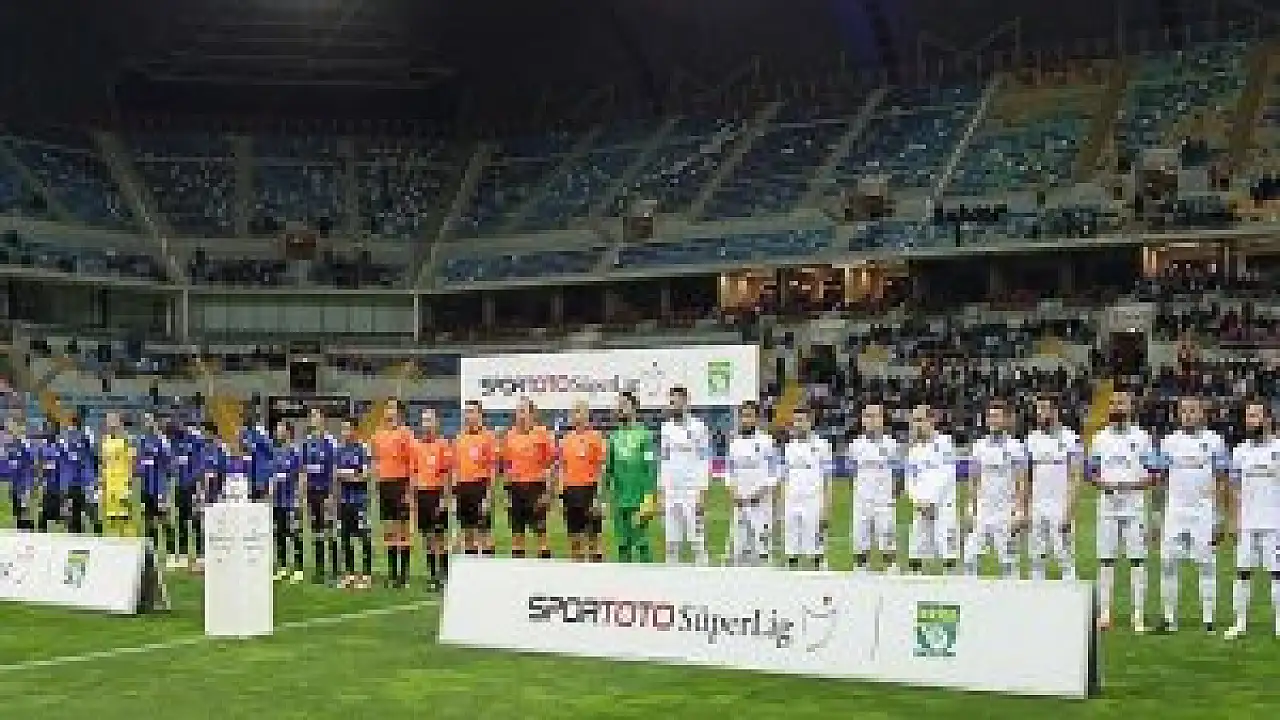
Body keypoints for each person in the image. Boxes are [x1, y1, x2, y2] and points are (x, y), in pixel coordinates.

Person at [1152, 396, 1227, 632]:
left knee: (1207, 564)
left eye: (1193, 410)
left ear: (1202, 413)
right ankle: (1169, 620)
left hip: (1203, 511)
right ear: (1178, 414)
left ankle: (1208, 621)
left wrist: (1219, 517)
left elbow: (1222, 481)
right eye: (1184, 411)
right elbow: (1160, 481)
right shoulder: (1168, 442)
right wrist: (1156, 516)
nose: (1188, 415)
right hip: (1175, 511)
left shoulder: (1215, 441)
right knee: (1167, 563)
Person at [1089, 390, 1155, 633]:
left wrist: (1131, 485)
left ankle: (1138, 616)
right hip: (1107, 507)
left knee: (1138, 560)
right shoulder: (1099, 438)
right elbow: (1091, 472)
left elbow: (1154, 474)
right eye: (1114, 403)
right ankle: (1105, 615)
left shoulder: (1143, 437)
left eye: (1122, 403)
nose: (1117, 407)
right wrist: (1103, 483)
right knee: (1106, 561)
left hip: (1134, 507)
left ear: (1130, 407)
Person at [1224, 399, 1280, 640]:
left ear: (1268, 419)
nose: (1251, 421)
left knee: (1277, 574)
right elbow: (1234, 488)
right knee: (1242, 573)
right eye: (1248, 416)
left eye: (1256, 416)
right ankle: (1239, 624)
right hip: (1247, 523)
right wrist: (1234, 520)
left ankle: (1279, 624)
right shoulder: (1239, 451)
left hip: (1275, 523)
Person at [964, 400, 1028, 578]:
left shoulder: (1016, 447)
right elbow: (973, 480)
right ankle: (971, 592)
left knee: (1008, 563)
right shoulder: (978, 446)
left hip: (1006, 512)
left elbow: (1022, 481)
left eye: (997, 416)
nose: (992, 420)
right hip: (983, 511)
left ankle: (1011, 594)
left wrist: (1020, 511)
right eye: (990, 416)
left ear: (1006, 419)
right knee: (969, 559)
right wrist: (970, 508)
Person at [1025, 395, 1082, 580]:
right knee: (1036, 559)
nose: (1039, 414)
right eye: (1038, 409)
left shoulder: (1071, 439)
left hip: (1060, 505)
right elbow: (1026, 476)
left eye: (1044, 409)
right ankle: (1037, 594)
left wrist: (1069, 510)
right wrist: (1025, 508)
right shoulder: (1030, 439)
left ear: (1055, 411)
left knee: (1065, 558)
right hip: (1037, 506)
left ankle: (1070, 594)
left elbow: (1075, 476)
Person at [847, 403, 902, 572]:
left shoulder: (892, 444)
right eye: (868, 416)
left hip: (884, 501)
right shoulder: (855, 445)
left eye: (876, 416)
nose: (871, 420)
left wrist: (892, 495)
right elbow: (852, 473)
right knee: (860, 539)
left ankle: (891, 570)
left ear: (882, 419)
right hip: (862, 500)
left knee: (887, 538)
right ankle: (861, 572)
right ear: (862, 420)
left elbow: (899, 473)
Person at [905, 404, 959, 575]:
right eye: (914, 421)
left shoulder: (945, 443)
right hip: (921, 507)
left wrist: (931, 500)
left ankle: (951, 584)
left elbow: (947, 475)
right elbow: (910, 480)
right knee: (916, 551)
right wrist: (917, 501)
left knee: (947, 551)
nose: (917, 425)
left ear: (932, 420)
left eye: (920, 420)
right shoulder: (913, 450)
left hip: (943, 506)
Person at [660, 386, 711, 565]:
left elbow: (704, 460)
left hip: (691, 490)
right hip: (671, 490)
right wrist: (662, 489)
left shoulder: (699, 427)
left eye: (677, 401)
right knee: (671, 542)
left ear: (686, 401)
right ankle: (672, 575)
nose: (674, 405)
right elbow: (664, 459)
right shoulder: (665, 428)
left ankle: (703, 573)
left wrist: (702, 490)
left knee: (697, 541)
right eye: (671, 401)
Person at [604, 391, 657, 563]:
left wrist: (649, 497)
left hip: (639, 499)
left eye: (624, 404)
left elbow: (651, 468)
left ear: (634, 408)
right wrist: (603, 497)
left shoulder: (645, 435)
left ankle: (648, 577)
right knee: (622, 545)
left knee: (642, 544)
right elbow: (608, 469)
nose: (620, 408)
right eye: (618, 405)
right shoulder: (613, 437)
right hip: (619, 501)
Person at [724, 400, 779, 567]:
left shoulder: (767, 441)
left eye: (749, 416)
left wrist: (760, 494)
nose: (746, 420)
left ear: (756, 418)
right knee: (739, 548)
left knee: (762, 548)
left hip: (761, 502)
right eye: (743, 416)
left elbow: (773, 472)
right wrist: (734, 492)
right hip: (740, 501)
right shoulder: (734, 443)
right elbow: (730, 471)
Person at [501, 398, 555, 559]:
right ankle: (519, 569)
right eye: (519, 412)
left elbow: (550, 465)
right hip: (515, 489)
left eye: (524, 411)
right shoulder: (510, 436)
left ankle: (543, 567)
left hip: (536, 488)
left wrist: (548, 492)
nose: (521, 415)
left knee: (540, 532)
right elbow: (507, 466)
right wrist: (506, 493)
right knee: (517, 534)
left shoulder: (543, 434)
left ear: (533, 414)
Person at [781, 404, 833, 570]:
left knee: (815, 547)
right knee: (791, 546)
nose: (798, 424)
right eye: (796, 420)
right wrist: (782, 503)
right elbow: (784, 477)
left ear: (809, 422)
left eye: (801, 420)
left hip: (813, 500)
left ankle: (818, 571)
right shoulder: (788, 447)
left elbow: (828, 478)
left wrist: (826, 506)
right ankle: (792, 571)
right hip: (792, 500)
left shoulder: (823, 445)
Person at [371, 400, 415, 587]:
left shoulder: (406, 434)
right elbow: (375, 460)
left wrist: (409, 489)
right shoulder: (377, 435)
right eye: (387, 408)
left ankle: (403, 576)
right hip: (384, 485)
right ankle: (392, 574)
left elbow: (412, 463)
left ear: (399, 413)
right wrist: (376, 482)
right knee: (388, 531)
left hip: (401, 484)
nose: (389, 411)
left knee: (402, 531)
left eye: (392, 408)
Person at [558, 401, 606, 562]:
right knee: (574, 536)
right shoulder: (566, 439)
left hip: (590, 489)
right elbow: (562, 467)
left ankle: (595, 566)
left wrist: (599, 495)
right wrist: (561, 492)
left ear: (587, 415)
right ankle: (576, 565)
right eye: (575, 412)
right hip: (570, 490)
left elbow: (601, 467)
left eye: (580, 412)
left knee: (594, 537)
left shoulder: (596, 437)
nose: (577, 416)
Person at [411, 408, 453, 588]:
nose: (427, 425)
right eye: (424, 421)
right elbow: (414, 473)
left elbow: (447, 474)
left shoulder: (443, 445)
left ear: (436, 423)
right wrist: (413, 498)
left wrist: (445, 498)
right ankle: (432, 574)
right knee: (427, 537)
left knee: (440, 537)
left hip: (437, 494)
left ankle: (444, 574)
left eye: (430, 420)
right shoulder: (417, 446)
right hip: (422, 494)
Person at [453, 400, 498, 556]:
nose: (469, 415)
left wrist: (489, 495)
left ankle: (486, 564)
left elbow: (493, 468)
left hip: (480, 487)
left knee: (484, 532)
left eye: (472, 412)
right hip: (462, 488)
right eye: (467, 412)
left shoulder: (488, 437)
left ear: (480, 415)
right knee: (467, 533)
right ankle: (470, 565)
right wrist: (454, 493)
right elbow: (456, 467)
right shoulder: (459, 438)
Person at [299, 408, 338, 585]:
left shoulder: (330, 442)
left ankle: (335, 570)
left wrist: (332, 494)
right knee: (316, 531)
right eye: (312, 416)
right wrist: (302, 492)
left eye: (316, 416)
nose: (313, 419)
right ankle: (320, 570)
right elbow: (304, 469)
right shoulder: (307, 443)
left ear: (323, 419)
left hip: (326, 492)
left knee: (330, 530)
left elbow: (334, 471)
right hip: (312, 492)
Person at [335, 419, 373, 590]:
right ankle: (349, 574)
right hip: (344, 500)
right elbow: (336, 475)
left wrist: (348, 475)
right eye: (343, 429)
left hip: (360, 500)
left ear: (354, 430)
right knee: (345, 538)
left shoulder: (362, 449)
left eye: (347, 429)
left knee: (364, 537)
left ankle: (366, 575)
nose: (344, 432)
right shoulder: (339, 450)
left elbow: (365, 475)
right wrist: (352, 474)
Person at [269, 421, 304, 583]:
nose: (277, 432)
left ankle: (298, 569)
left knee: (294, 534)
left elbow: (301, 475)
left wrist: (299, 497)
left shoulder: (295, 452)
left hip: (291, 500)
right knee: (279, 533)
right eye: (277, 430)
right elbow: (274, 475)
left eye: (280, 430)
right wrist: (271, 491)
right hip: (278, 501)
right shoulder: (276, 453)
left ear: (288, 432)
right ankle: (282, 567)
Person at [136, 413, 175, 558]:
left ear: (154, 422)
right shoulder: (142, 440)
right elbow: (139, 461)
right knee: (148, 518)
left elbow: (168, 460)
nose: (147, 423)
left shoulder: (161, 440)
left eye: (149, 421)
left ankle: (170, 549)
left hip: (159, 484)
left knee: (163, 516)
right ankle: (151, 548)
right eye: (145, 421)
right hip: (146, 485)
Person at [170, 418, 207, 570]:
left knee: (197, 519)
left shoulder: (196, 440)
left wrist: (197, 484)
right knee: (181, 519)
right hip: (180, 485)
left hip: (193, 485)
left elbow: (201, 464)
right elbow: (174, 463)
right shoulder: (174, 441)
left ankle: (200, 553)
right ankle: (183, 553)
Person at [192, 421, 228, 572]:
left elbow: (224, 473)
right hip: (204, 493)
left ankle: (218, 555)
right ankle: (203, 556)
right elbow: (200, 473)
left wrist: (220, 491)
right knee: (202, 524)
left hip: (216, 493)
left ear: (211, 433)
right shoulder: (204, 450)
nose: (203, 435)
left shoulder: (221, 450)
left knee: (216, 525)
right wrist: (199, 492)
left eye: (205, 432)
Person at [98, 412, 136, 537]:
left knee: (124, 514)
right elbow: (103, 462)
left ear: (119, 423)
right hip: (109, 482)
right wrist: (102, 480)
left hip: (122, 481)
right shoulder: (105, 441)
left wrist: (130, 479)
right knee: (111, 514)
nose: (111, 425)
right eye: (109, 422)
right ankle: (113, 540)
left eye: (113, 421)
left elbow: (132, 460)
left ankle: (128, 539)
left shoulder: (126, 439)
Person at [62, 414, 101, 535]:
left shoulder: (85, 435)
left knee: (88, 508)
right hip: (77, 478)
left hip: (84, 478)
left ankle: (94, 532)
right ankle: (78, 534)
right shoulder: (69, 436)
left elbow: (95, 454)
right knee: (77, 509)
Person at [36, 423, 68, 533]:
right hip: (48, 482)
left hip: (57, 482)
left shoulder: (60, 447)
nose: (49, 434)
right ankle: (42, 527)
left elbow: (63, 464)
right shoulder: (43, 448)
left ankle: (58, 525)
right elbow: (40, 464)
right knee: (46, 505)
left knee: (58, 504)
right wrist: (41, 475)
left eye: (52, 432)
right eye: (48, 431)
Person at [5, 418, 36, 530]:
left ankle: (26, 525)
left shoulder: (27, 446)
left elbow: (30, 463)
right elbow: (10, 462)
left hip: (24, 480)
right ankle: (21, 525)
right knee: (17, 505)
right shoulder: (12, 446)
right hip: (15, 481)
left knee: (24, 504)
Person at [241, 412, 274, 503]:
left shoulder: (260, 432)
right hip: (255, 459)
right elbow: (245, 444)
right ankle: (255, 493)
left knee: (261, 475)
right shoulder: (248, 432)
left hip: (262, 458)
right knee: (254, 476)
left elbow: (268, 446)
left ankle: (260, 492)